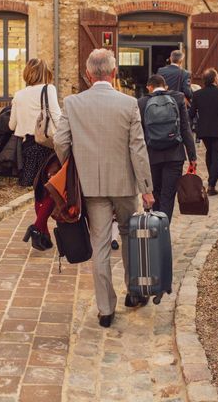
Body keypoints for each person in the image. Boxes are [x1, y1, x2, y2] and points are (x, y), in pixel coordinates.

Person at [54, 49, 154, 328]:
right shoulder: (129, 103)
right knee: (129, 236)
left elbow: (60, 142)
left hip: (91, 186)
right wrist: (146, 188)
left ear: (88, 75)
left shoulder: (73, 103)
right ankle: (134, 294)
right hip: (124, 184)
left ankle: (105, 309)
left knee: (99, 245)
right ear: (113, 74)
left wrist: (73, 167)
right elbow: (138, 148)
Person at [8, 59, 61, 250]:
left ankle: (43, 236)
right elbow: (56, 116)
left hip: (27, 147)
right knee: (53, 189)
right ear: (45, 73)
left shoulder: (19, 95)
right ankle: (37, 227)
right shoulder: (49, 89)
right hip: (46, 146)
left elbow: (12, 126)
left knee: (39, 191)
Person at [138, 74, 197, 222]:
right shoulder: (178, 98)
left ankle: (156, 227)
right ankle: (164, 228)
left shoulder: (141, 103)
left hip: (151, 155)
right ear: (165, 86)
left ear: (149, 87)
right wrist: (192, 157)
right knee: (168, 195)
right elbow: (185, 128)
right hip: (174, 155)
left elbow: (139, 134)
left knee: (155, 192)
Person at [189, 68, 218, 196]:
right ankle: (211, 185)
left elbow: (191, 113)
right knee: (216, 156)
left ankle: (211, 180)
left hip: (204, 130)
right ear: (215, 79)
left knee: (209, 153)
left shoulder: (198, 94)